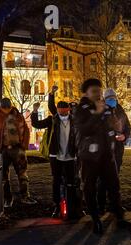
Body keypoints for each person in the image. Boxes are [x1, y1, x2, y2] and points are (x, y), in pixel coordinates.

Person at [74, 78, 131, 234]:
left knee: (114, 187)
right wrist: (97, 113)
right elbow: (83, 130)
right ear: (86, 93)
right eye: (94, 91)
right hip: (89, 157)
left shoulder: (106, 107)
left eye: (99, 91)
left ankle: (120, 218)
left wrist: (116, 126)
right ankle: (95, 220)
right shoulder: (81, 109)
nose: (98, 94)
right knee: (90, 188)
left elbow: (112, 125)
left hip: (108, 155)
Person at [0, 90, 36, 219]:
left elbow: (26, 130)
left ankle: (25, 196)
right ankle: (7, 199)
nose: (5, 110)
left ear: (10, 106)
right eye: (3, 108)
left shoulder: (18, 115)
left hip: (17, 149)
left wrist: (24, 146)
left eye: (7, 108)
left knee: (23, 174)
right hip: (2, 150)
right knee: (3, 177)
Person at [31, 85, 78, 219]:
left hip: (70, 156)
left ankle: (73, 206)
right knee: (56, 181)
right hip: (55, 155)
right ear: (58, 111)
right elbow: (37, 124)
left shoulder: (74, 121)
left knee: (71, 182)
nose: (62, 113)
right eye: (60, 111)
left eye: (65, 111)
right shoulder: (53, 120)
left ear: (68, 110)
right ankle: (57, 205)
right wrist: (34, 112)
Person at [97, 88, 131, 214]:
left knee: (115, 179)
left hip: (117, 149)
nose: (112, 100)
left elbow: (127, 126)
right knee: (103, 179)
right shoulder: (100, 112)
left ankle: (114, 205)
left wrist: (125, 136)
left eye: (114, 98)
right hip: (105, 150)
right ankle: (100, 205)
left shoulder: (120, 110)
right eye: (110, 99)